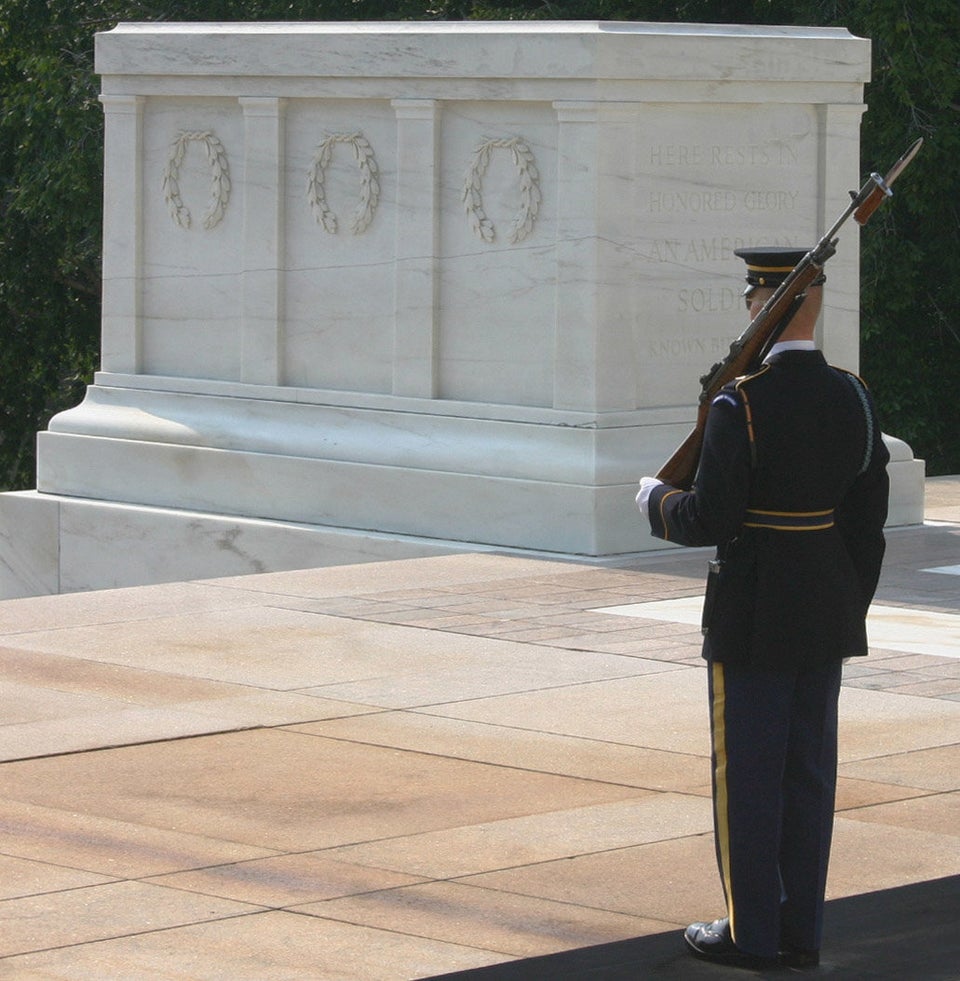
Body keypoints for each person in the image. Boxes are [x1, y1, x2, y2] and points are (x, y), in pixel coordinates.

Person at [637, 246, 890, 971]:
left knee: (748, 776)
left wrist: (657, 502)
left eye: (754, 299)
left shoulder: (738, 401)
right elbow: (865, 523)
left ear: (764, 307)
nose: (748, 308)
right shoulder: (855, 395)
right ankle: (802, 930)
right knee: (808, 773)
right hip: (825, 612)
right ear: (814, 307)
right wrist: (848, 603)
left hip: (751, 615)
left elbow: (711, 518)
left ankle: (752, 935)